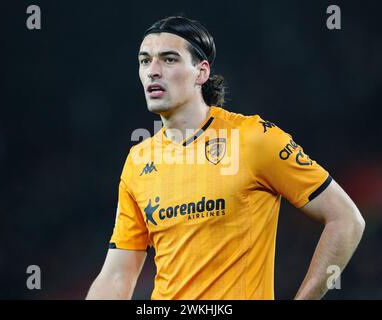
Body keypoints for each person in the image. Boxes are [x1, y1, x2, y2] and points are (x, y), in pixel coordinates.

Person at [86, 16, 365, 300]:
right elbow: (117, 275)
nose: (153, 71)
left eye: (169, 59)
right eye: (145, 61)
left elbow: (346, 220)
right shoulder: (138, 160)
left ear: (201, 72)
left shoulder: (254, 138)